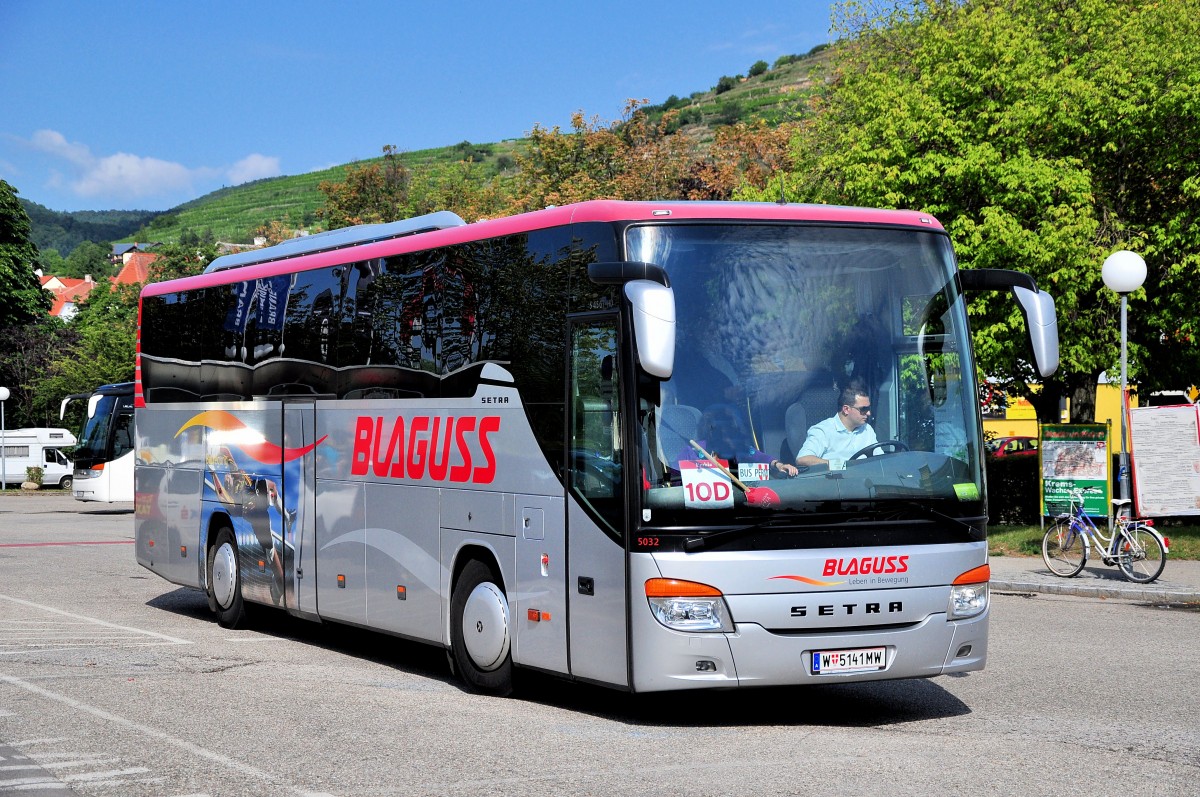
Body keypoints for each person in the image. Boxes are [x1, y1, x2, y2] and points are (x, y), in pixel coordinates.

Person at [773, 383, 877, 475]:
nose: (868, 413)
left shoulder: (867, 429)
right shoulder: (823, 431)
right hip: (836, 485)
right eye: (863, 409)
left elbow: (879, 457)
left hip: (867, 482)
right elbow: (803, 459)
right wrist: (839, 465)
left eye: (868, 409)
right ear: (846, 409)